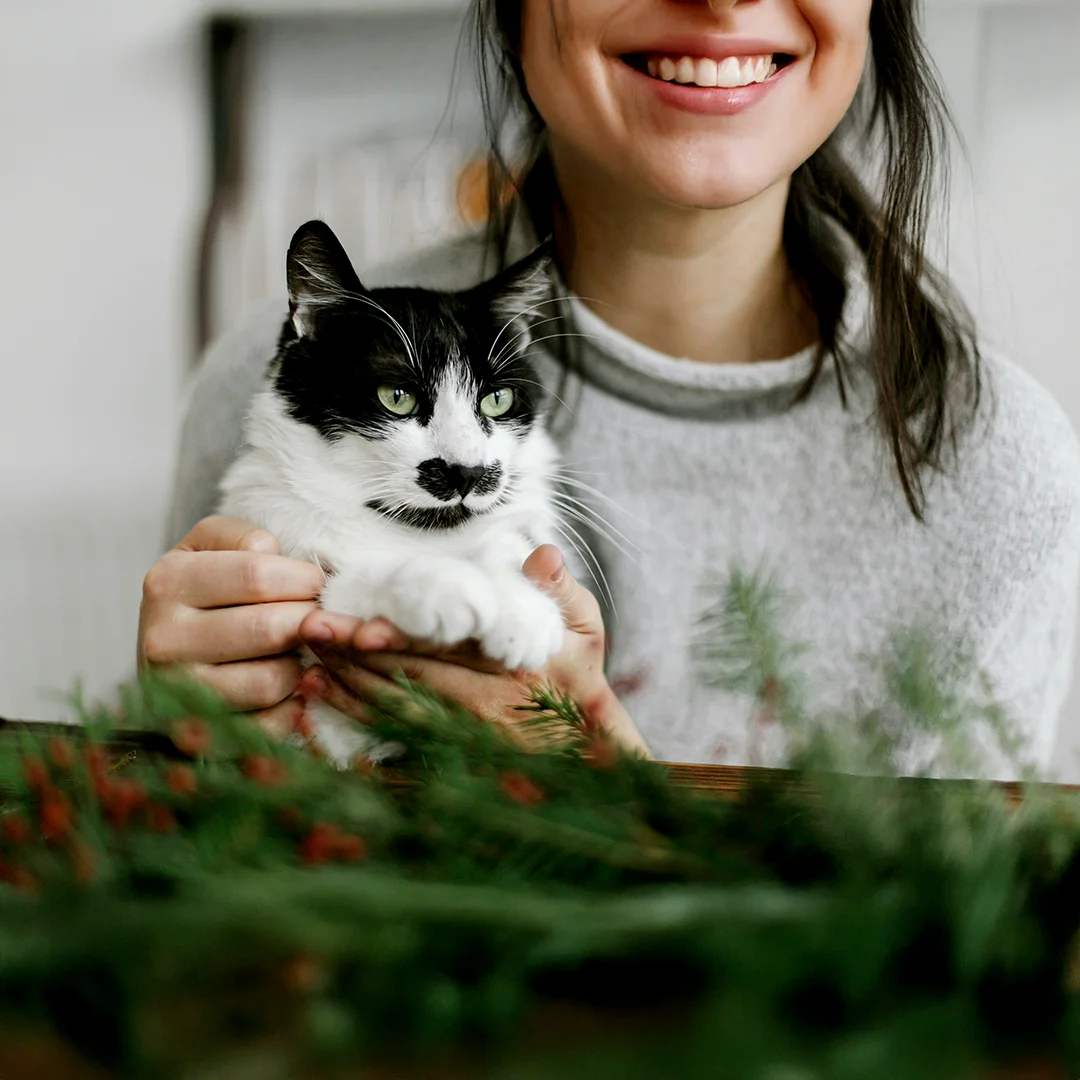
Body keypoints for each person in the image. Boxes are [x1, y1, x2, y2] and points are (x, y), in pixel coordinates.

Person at [139, 0, 1080, 775]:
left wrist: (603, 784)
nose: (720, 0)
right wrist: (175, 751)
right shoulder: (265, 398)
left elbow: (979, 987)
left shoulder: (1004, 468)